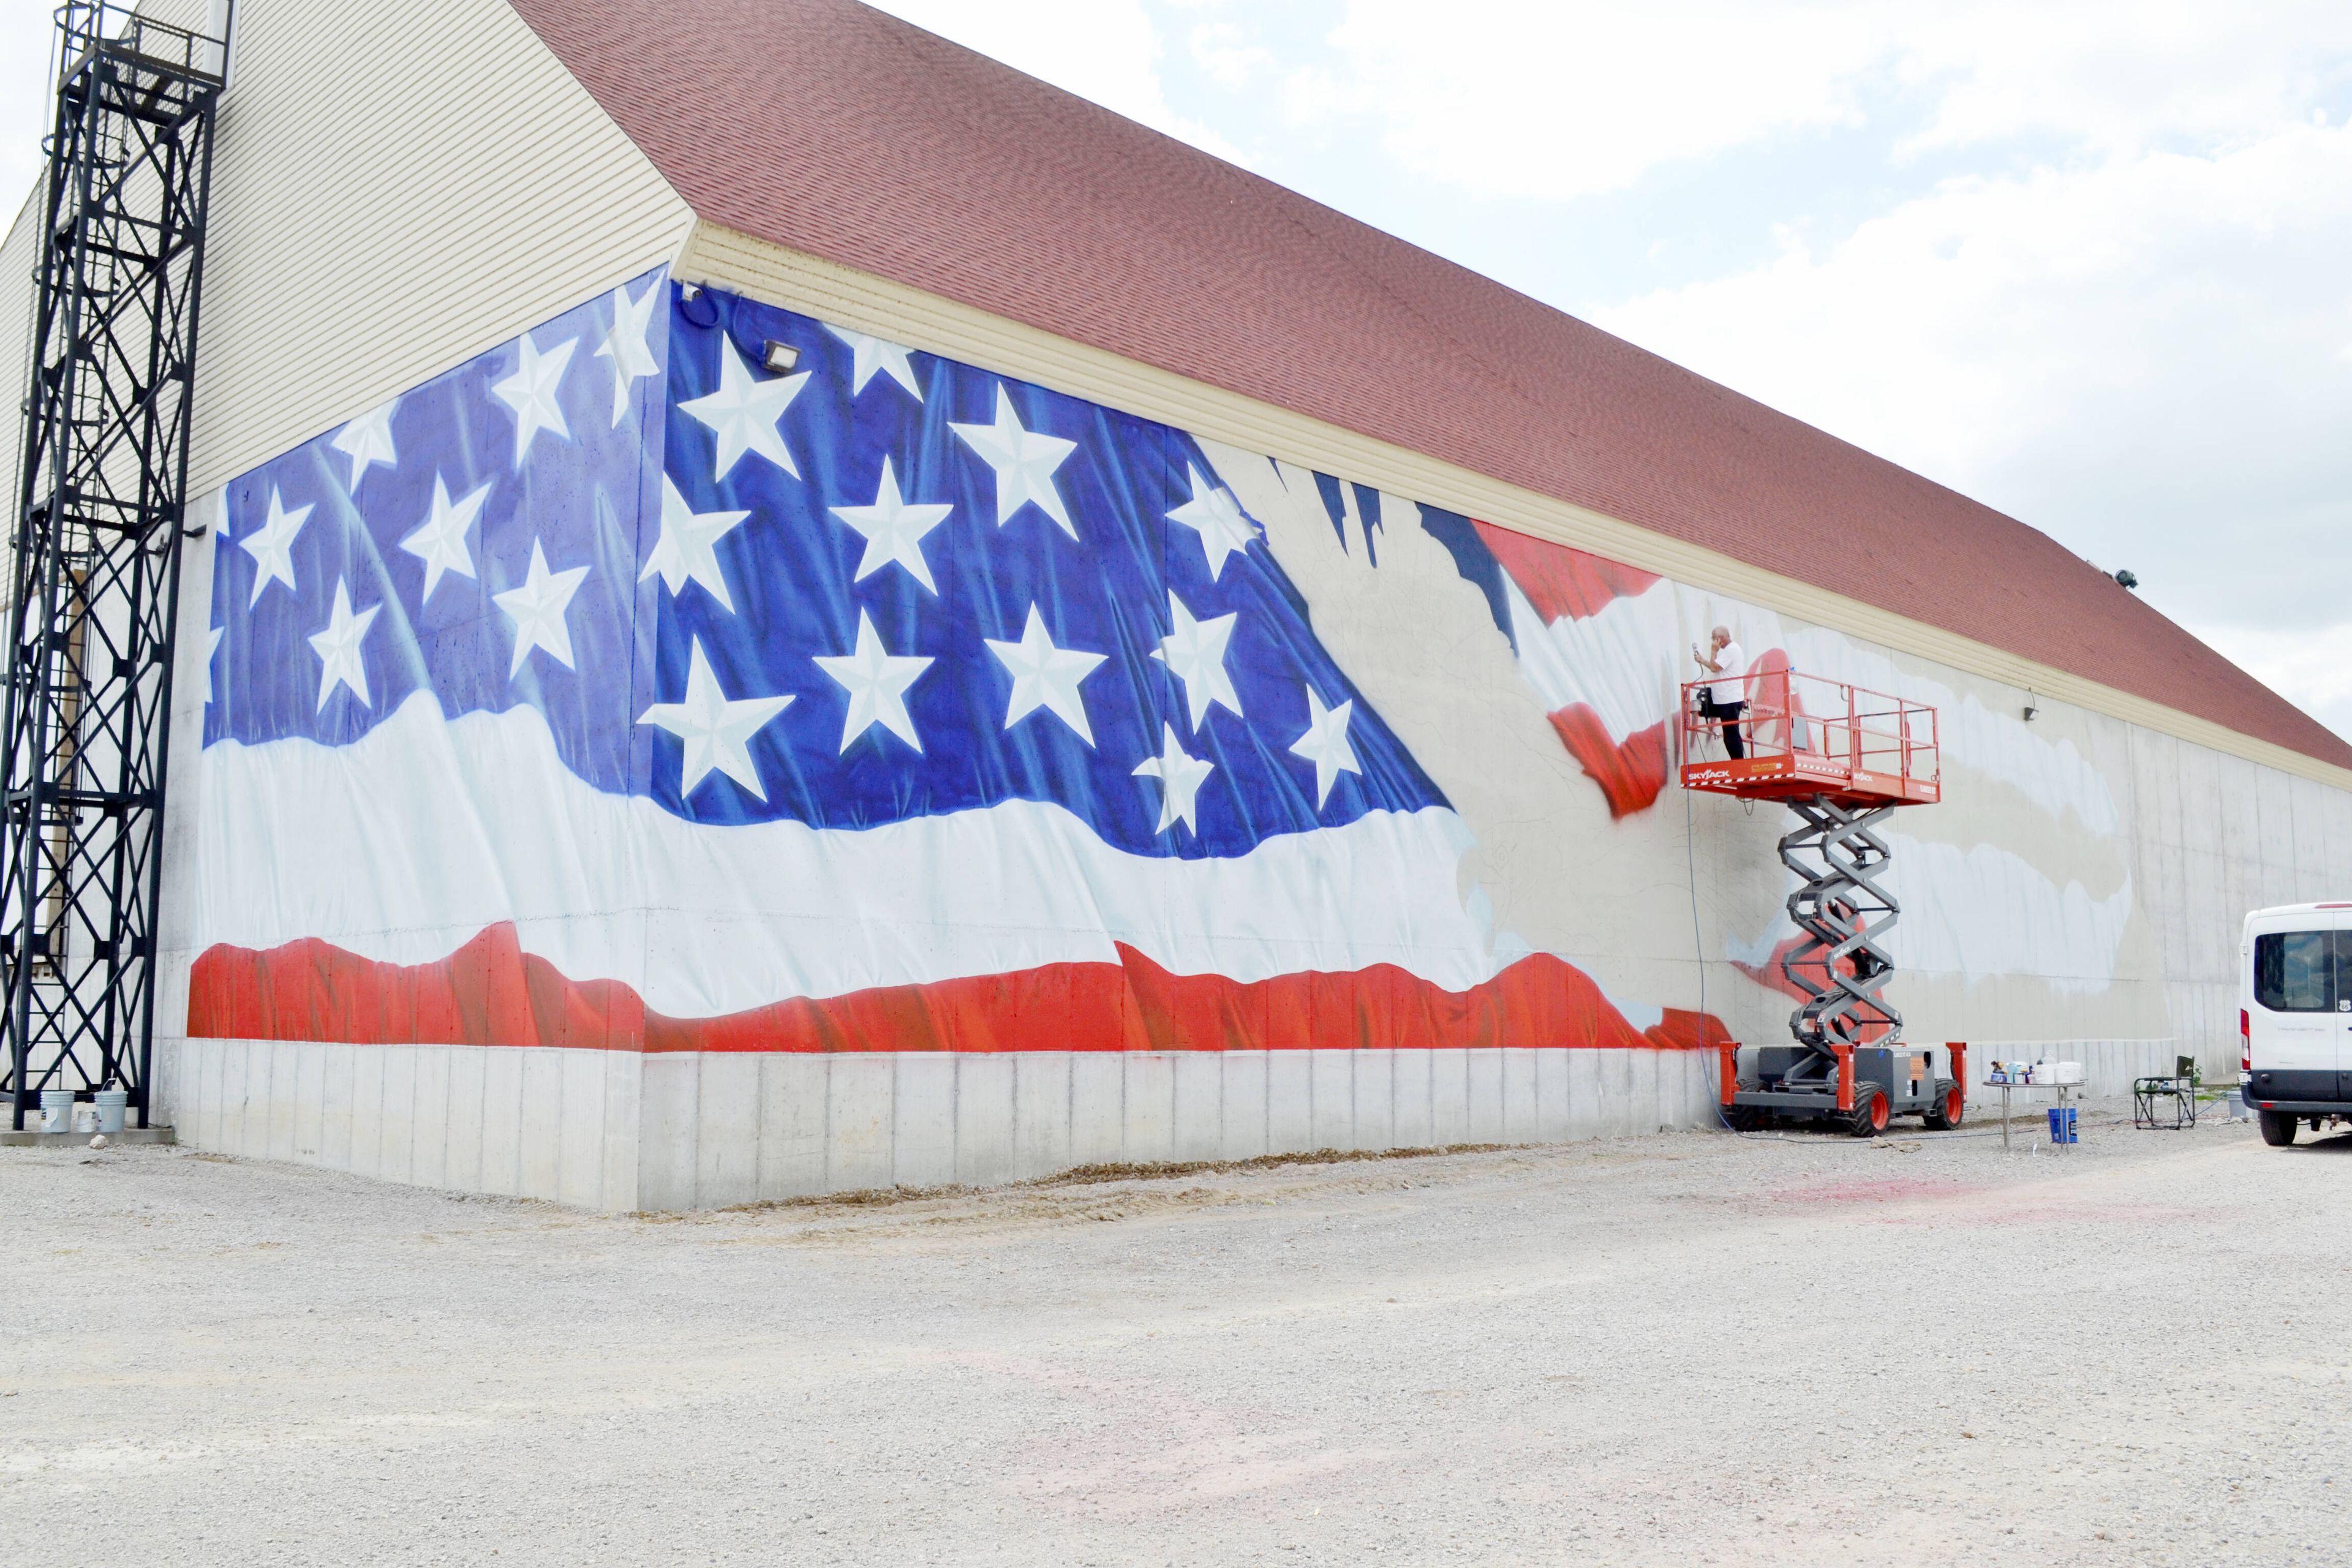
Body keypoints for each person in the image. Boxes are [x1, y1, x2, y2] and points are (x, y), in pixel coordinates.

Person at [1693, 625, 1747, 759]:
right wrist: (1702, 661)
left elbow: (1715, 668)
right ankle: (1738, 761)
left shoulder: (1732, 649)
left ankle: (1739, 763)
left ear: (1720, 638)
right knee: (1729, 733)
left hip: (1729, 699)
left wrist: (1713, 651)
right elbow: (1715, 666)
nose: (1712, 641)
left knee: (1731, 734)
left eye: (1713, 639)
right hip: (1723, 699)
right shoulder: (1725, 651)